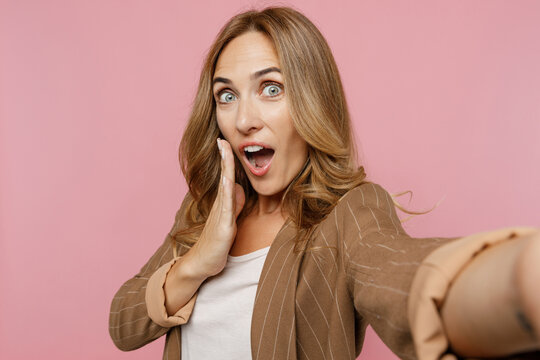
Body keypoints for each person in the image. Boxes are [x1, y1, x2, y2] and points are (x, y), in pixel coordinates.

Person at [109, 6, 540, 360]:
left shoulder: (350, 211)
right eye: (227, 95)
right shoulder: (207, 208)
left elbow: (399, 277)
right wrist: (199, 261)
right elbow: (123, 325)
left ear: (313, 100)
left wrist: (516, 279)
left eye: (271, 89)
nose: (243, 120)